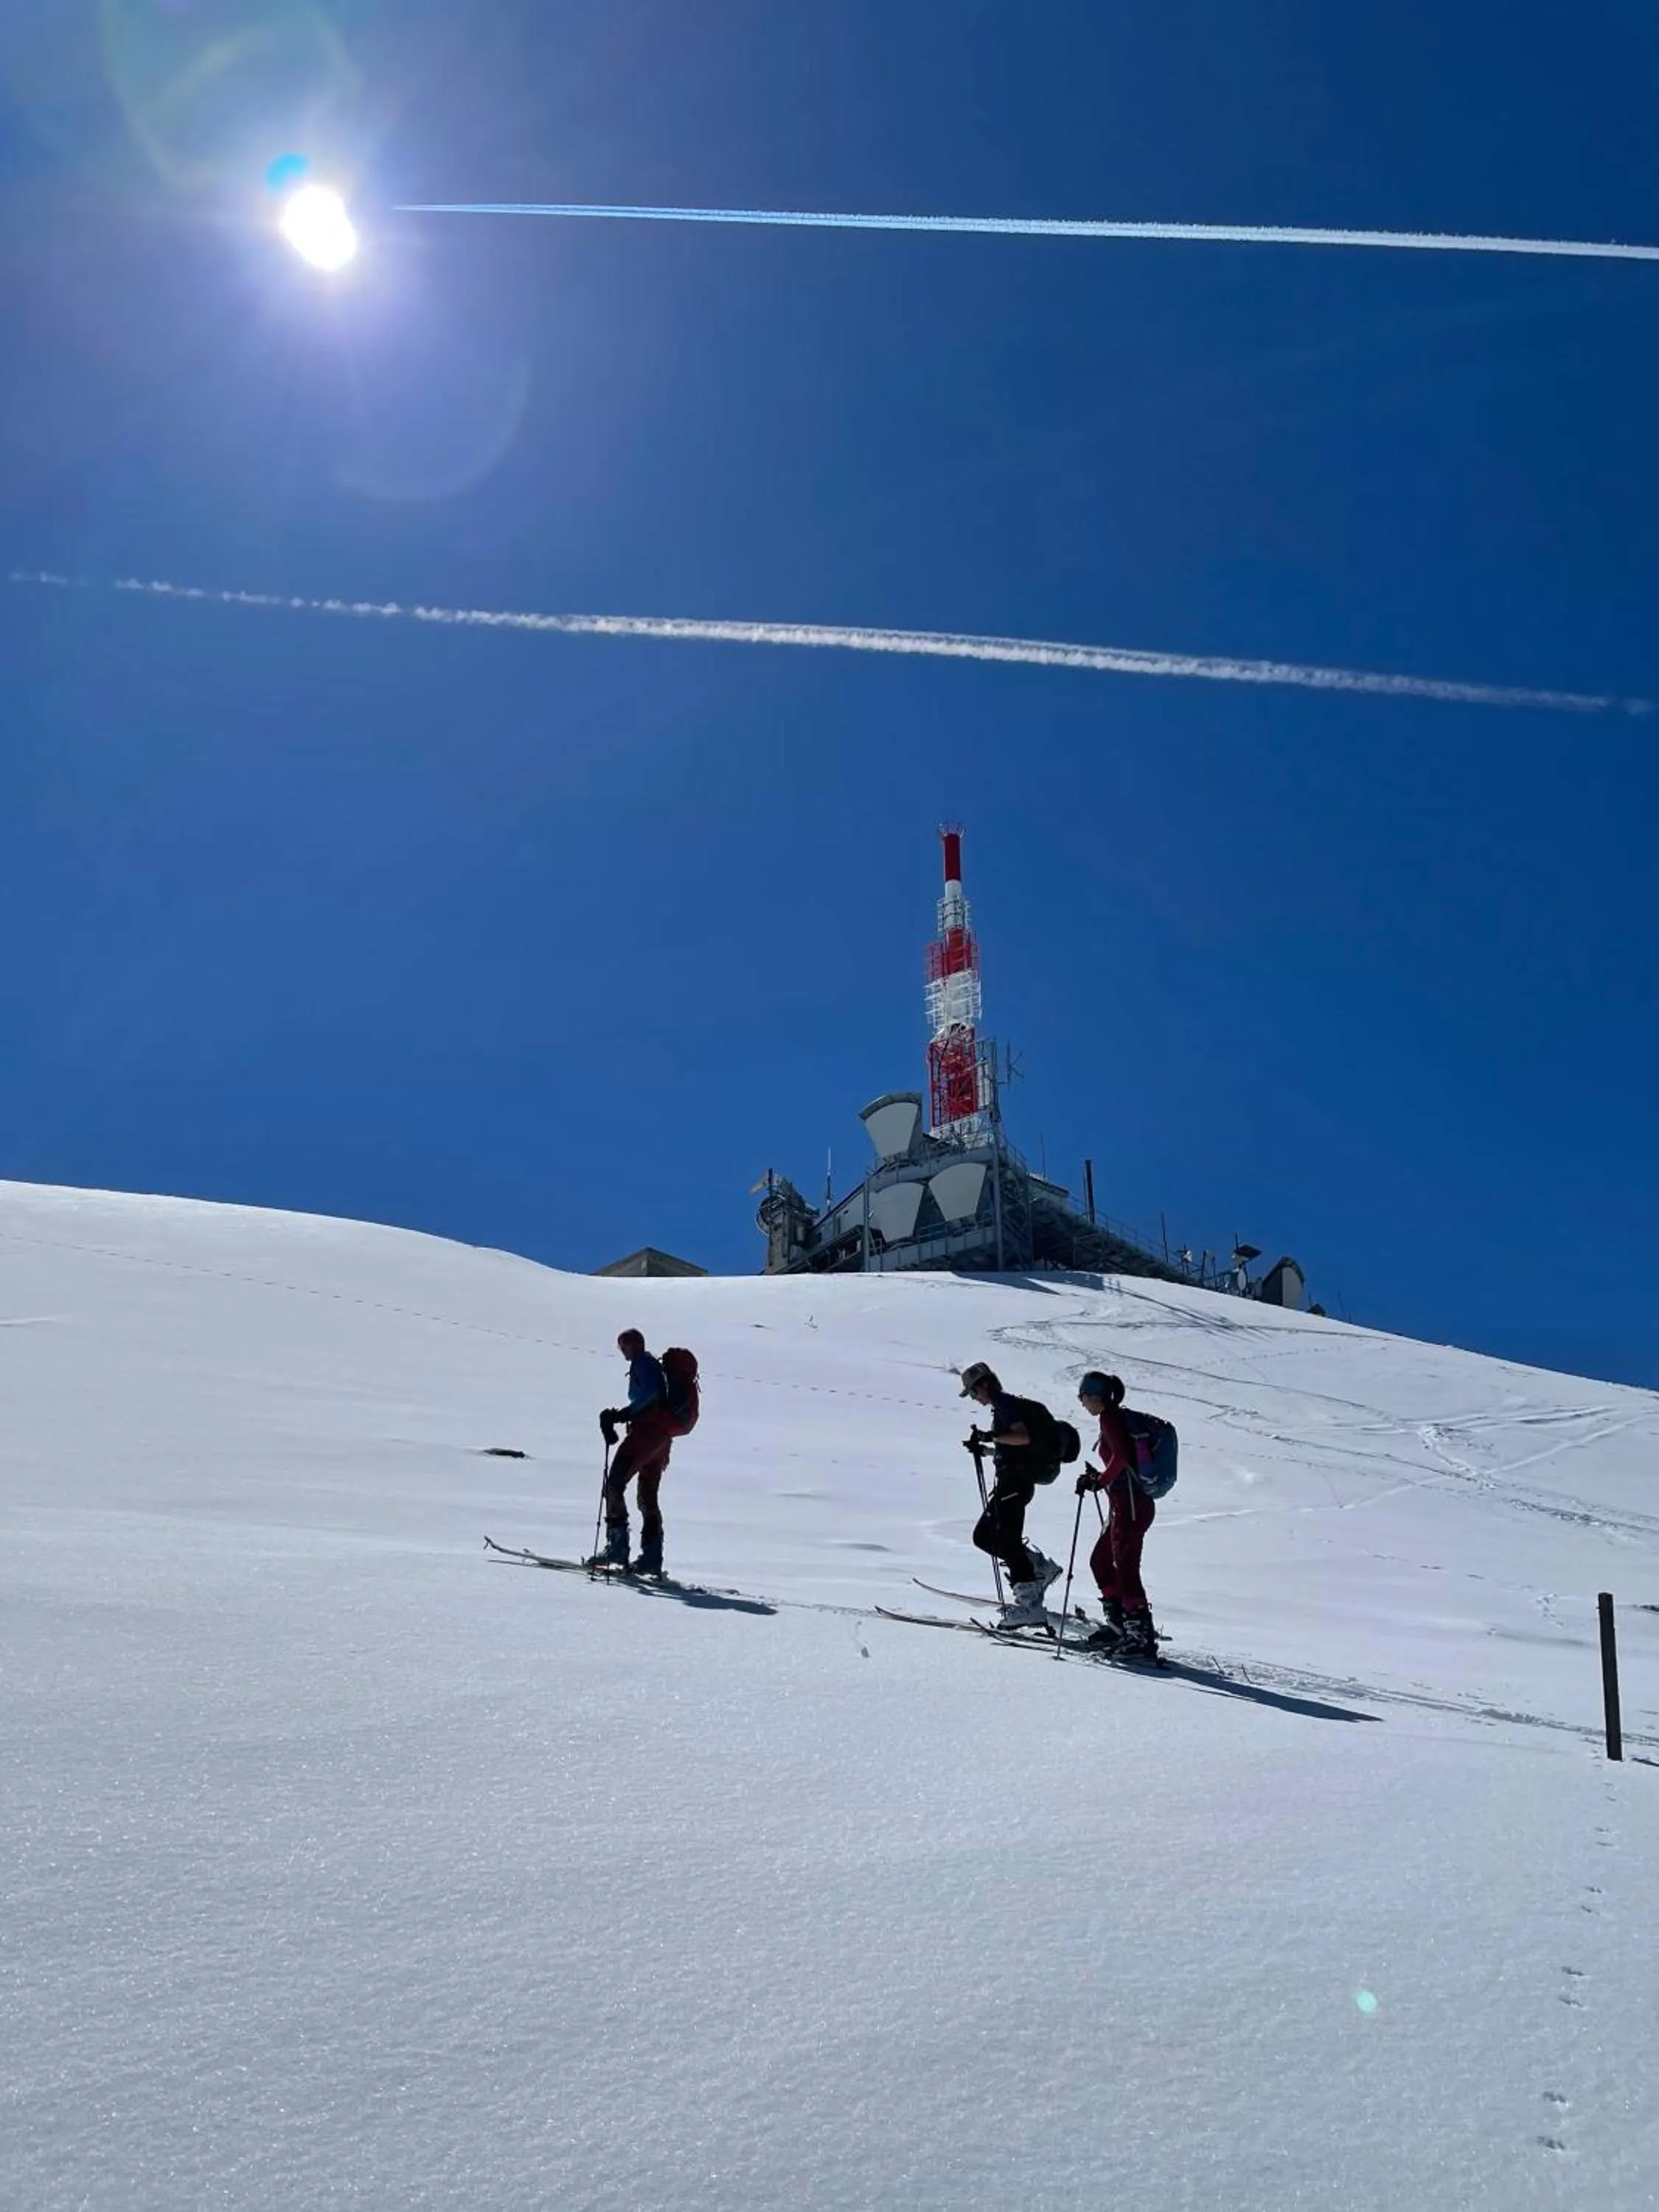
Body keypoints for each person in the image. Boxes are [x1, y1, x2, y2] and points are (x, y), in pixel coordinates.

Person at [958, 1360, 1062, 1627]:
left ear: (985, 1384)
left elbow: (1022, 1437)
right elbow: (1013, 1448)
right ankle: (1038, 1567)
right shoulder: (1002, 1407)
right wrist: (986, 1450)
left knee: (1005, 1539)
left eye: (973, 1392)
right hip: (1014, 1481)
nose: (974, 1398)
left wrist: (990, 1436)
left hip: (1015, 1484)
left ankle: (1029, 1605)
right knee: (985, 1537)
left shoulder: (1004, 1403)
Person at [1074, 1371, 1164, 1659]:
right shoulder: (1115, 1418)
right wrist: (1102, 1478)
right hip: (1125, 1502)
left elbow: (1122, 1457)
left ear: (1094, 1396)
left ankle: (1140, 1636)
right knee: (1101, 1560)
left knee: (1125, 1567)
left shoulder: (1110, 1418)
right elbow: (1122, 1460)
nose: (1082, 1402)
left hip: (1131, 1504)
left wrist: (1100, 1481)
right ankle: (1119, 1626)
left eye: (1083, 1396)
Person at [592, 1328, 676, 1575]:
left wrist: (622, 1414)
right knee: (647, 1496)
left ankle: (617, 1547)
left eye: (623, 1346)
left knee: (615, 1484)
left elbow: (649, 1394)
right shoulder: (650, 1364)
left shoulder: (643, 1364)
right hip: (661, 1438)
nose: (622, 1351)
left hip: (646, 1434)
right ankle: (652, 1557)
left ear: (633, 1345)